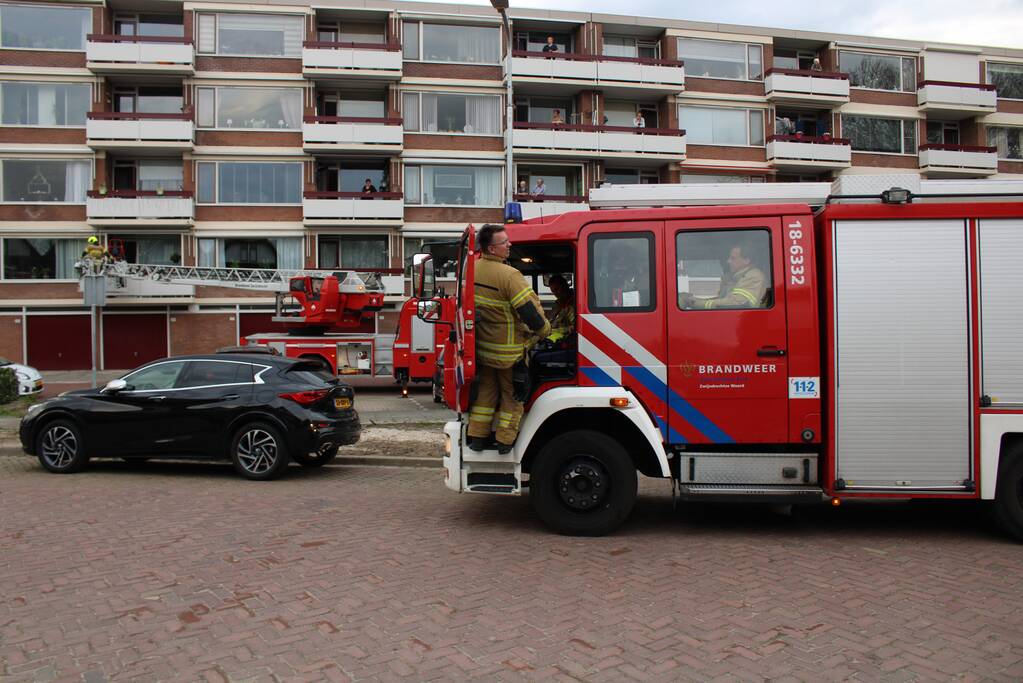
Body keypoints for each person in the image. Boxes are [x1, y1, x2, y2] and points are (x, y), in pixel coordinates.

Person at [467, 225, 550, 454]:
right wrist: (545, 331)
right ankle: (505, 441)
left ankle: (476, 437)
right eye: (505, 242)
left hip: (483, 351)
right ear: (492, 248)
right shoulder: (509, 275)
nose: (509, 245)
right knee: (512, 397)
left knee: (486, 394)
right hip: (509, 354)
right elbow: (530, 314)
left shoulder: (471, 270)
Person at [680, 242, 766, 310]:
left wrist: (691, 302)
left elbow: (735, 303)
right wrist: (693, 299)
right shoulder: (737, 278)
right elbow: (722, 300)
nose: (728, 261)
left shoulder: (754, 276)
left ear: (746, 260)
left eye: (733, 258)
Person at [547, 274, 575, 342]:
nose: (556, 293)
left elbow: (573, 328)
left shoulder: (574, 304)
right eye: (553, 291)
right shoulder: (558, 305)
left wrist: (551, 331)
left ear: (565, 286)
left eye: (557, 289)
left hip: (565, 344)